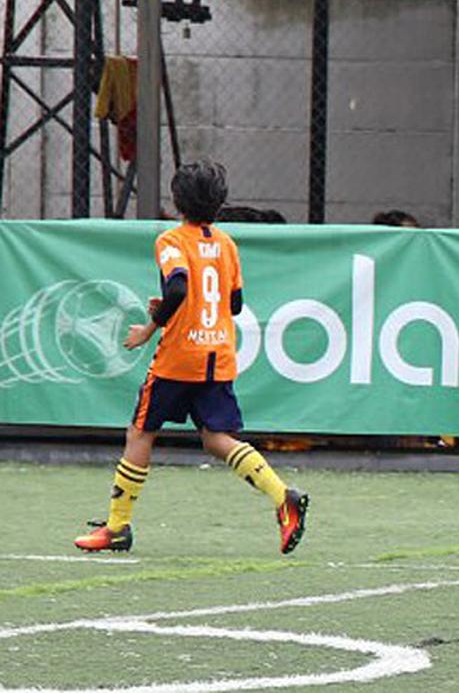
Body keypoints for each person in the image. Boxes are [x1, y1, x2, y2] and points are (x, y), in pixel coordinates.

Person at [72, 161, 309, 555]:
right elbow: (233, 304)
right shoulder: (227, 244)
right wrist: (177, 303)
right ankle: (283, 496)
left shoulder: (171, 241)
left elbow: (180, 288)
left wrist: (151, 325)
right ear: (219, 203)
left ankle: (117, 527)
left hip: (179, 357)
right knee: (217, 438)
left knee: (140, 433)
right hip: (217, 352)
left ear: (177, 200)